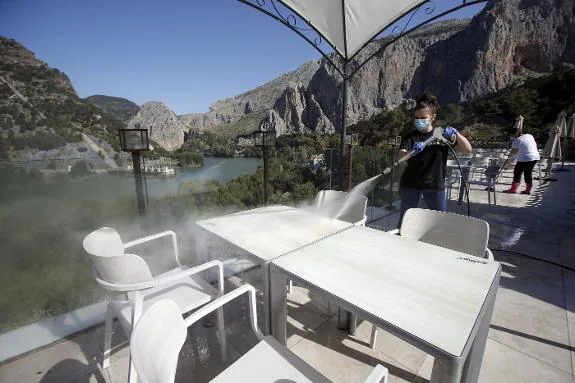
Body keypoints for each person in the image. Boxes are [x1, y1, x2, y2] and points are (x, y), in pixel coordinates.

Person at [397, 92, 472, 228]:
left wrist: (456, 134)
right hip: (410, 184)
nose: (419, 121)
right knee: (405, 221)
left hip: (435, 185)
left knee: (438, 223)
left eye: (423, 117)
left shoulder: (442, 135)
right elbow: (401, 157)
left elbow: (467, 149)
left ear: (433, 117)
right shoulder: (410, 137)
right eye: (417, 118)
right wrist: (411, 152)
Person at [503, 128, 540, 195]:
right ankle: (527, 190)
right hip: (535, 157)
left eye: (511, 135)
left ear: (515, 134)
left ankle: (513, 189)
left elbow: (514, 152)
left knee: (517, 172)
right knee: (528, 172)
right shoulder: (529, 135)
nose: (511, 137)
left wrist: (509, 155)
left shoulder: (517, 140)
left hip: (525, 158)